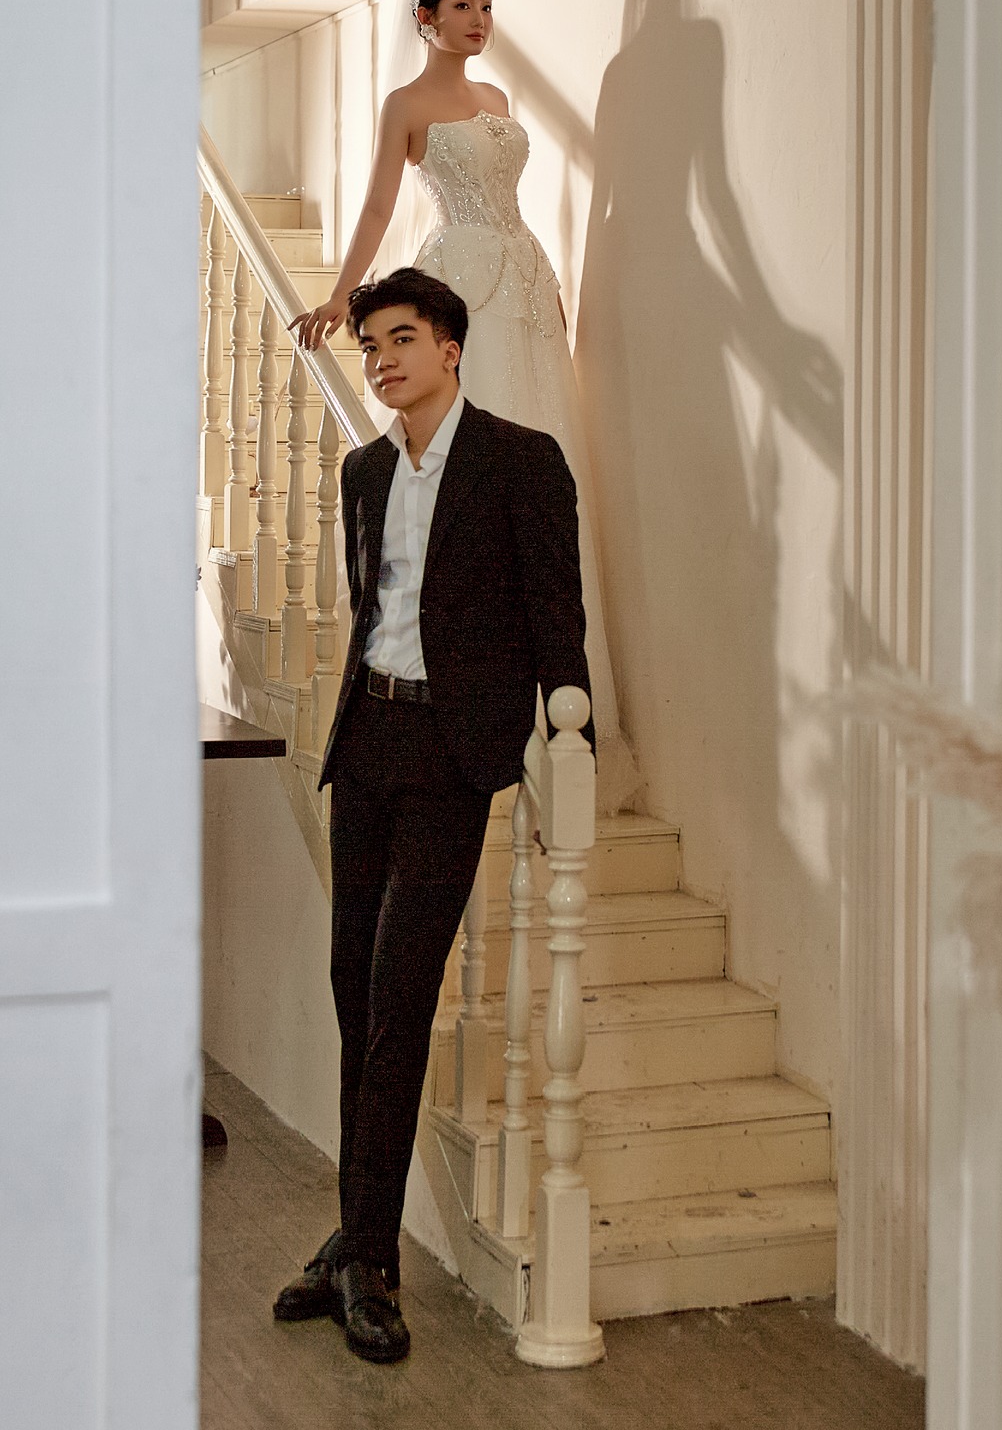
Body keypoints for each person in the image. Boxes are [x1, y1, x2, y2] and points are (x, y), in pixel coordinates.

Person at [272, 267, 592, 1363]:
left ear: (451, 348)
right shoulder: (364, 470)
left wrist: (573, 748)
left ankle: (363, 1261)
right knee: (354, 993)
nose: (382, 360)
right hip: (368, 739)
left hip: (452, 757)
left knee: (401, 994)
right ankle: (360, 1239)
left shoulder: (521, 461)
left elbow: (556, 611)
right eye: (370, 346)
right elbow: (373, 608)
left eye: (402, 339)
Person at [291, 0, 637, 811]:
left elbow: (514, 200)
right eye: (461, 5)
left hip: (523, 280)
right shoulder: (405, 106)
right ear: (426, 19)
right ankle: (464, 704)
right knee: (472, 463)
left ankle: (555, 723)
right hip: (466, 280)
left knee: (537, 455)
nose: (479, 18)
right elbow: (379, 205)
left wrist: (546, 284)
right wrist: (341, 295)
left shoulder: (498, 100)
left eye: (486, 5)